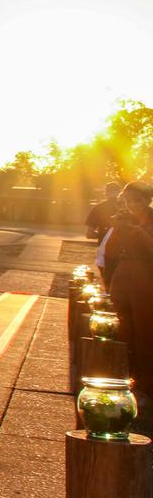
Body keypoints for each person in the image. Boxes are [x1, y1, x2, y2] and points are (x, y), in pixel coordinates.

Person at [105, 181, 153, 433]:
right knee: (125, 331)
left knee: (144, 333)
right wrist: (117, 229)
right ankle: (132, 379)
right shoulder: (126, 222)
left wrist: (135, 231)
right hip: (125, 280)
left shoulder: (147, 224)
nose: (133, 206)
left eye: (137, 200)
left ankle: (145, 384)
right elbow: (111, 252)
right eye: (128, 201)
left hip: (145, 283)